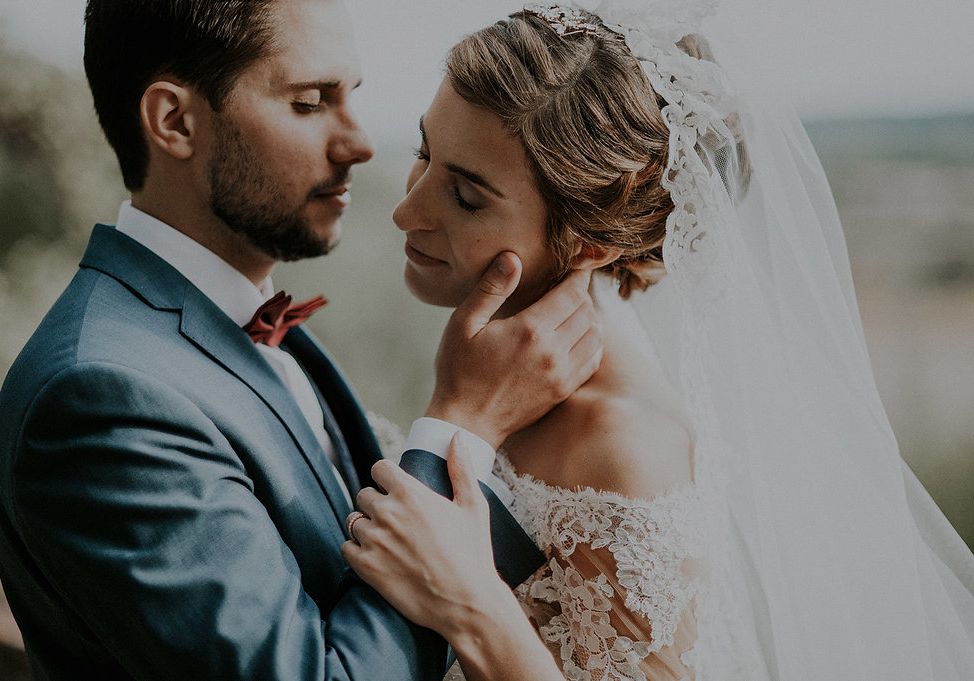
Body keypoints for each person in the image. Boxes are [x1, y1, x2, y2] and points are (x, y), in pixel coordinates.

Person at [343, 3, 974, 680]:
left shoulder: (624, 453)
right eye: (423, 153)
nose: (406, 210)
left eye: (466, 197)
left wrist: (477, 610)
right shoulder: (482, 364)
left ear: (587, 241)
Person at [0, 1, 605, 679]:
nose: (361, 143)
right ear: (175, 121)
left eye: (353, 96)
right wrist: (463, 422)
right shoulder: (101, 396)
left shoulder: (251, 323)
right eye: (311, 102)